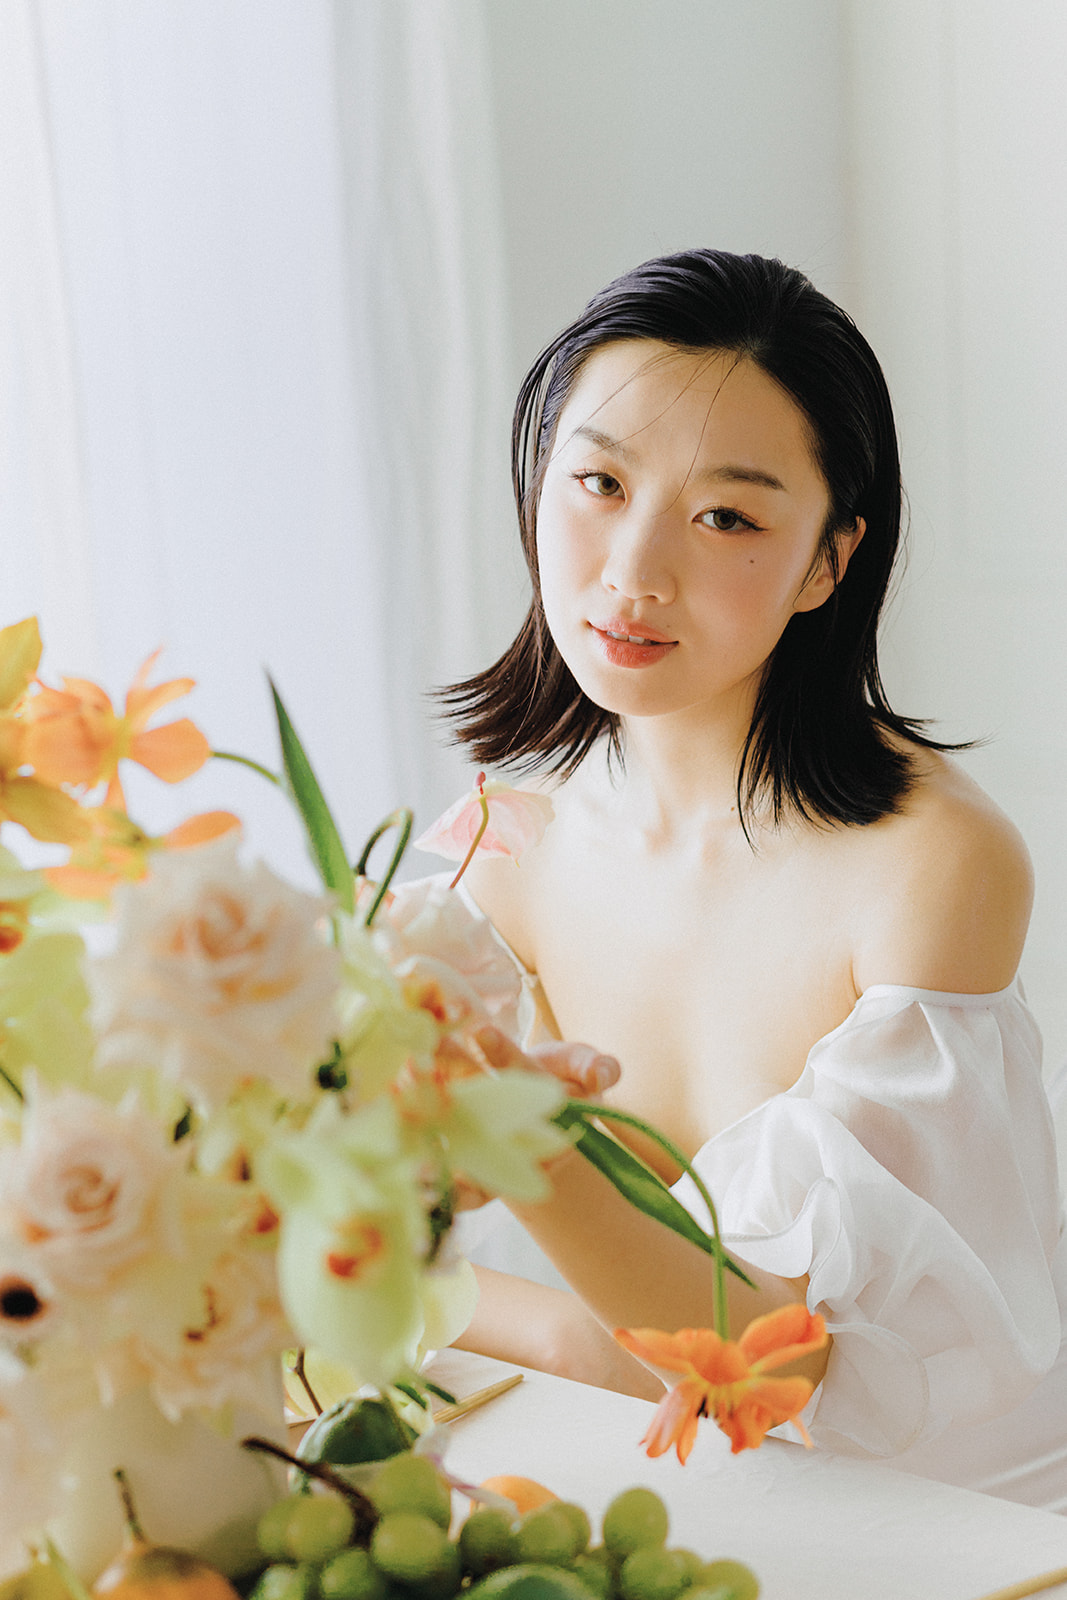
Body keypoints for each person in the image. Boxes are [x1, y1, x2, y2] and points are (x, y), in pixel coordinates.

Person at [436, 250, 1067, 1511]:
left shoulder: (927, 863)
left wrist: (528, 1162)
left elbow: (772, 1366)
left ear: (827, 562)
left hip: (951, 1533)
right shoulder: (506, 843)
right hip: (667, 1495)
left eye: (725, 515)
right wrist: (567, 1334)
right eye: (598, 482)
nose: (631, 569)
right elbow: (348, 1234)